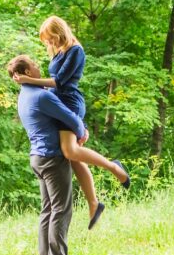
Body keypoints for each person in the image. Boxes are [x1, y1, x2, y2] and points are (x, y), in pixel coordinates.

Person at [12, 16, 129, 230]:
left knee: (69, 151)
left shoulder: (76, 51)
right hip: (59, 102)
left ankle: (115, 168)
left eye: (49, 39)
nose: (48, 43)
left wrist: (30, 81)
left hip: (71, 103)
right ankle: (94, 203)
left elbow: (59, 82)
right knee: (73, 157)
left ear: (58, 33)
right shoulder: (58, 51)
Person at [8, 54, 92, 255]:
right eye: (34, 65)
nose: (39, 67)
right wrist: (82, 131)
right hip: (53, 158)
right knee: (61, 210)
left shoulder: (24, 96)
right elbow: (71, 117)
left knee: (47, 211)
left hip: (37, 157)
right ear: (26, 72)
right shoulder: (41, 97)